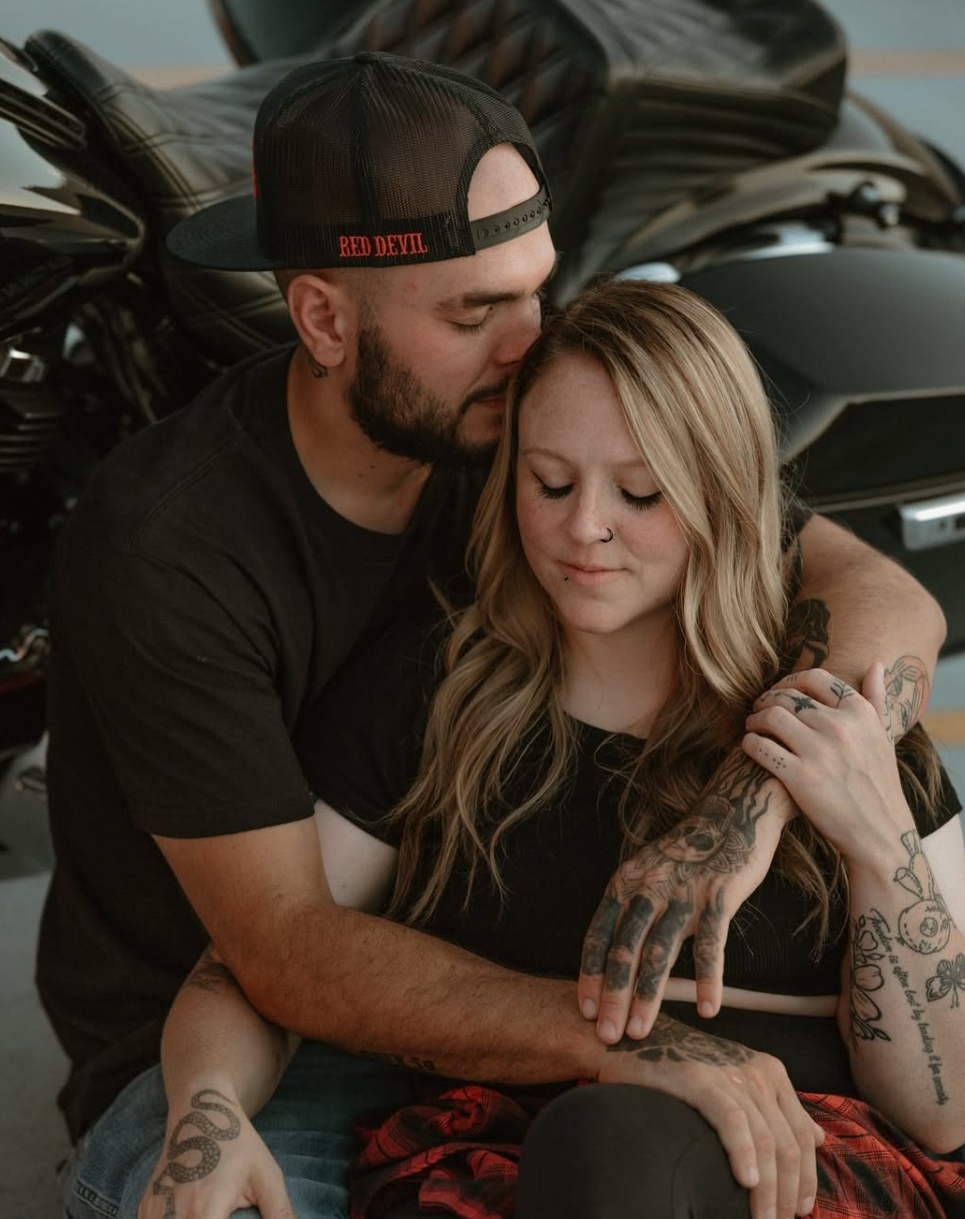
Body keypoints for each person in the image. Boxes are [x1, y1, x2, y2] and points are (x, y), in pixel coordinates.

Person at [43, 52, 944, 1219]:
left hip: (528, 999)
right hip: (281, 1018)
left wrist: (755, 800)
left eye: (535, 290)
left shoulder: (526, 419)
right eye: (474, 312)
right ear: (321, 316)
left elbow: (873, 591)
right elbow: (278, 953)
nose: (529, 344)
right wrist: (637, 1043)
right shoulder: (171, 549)